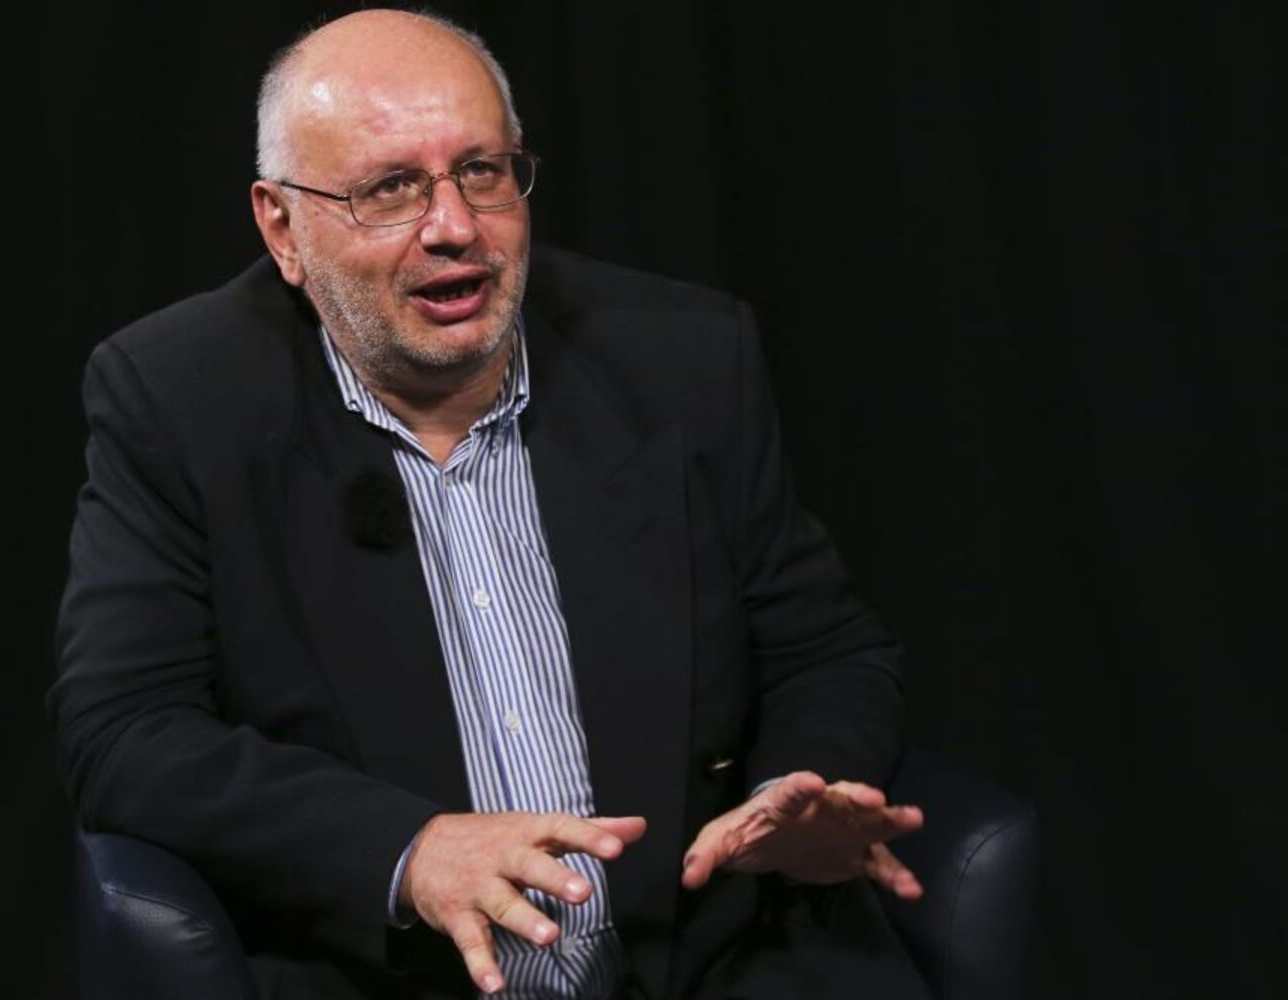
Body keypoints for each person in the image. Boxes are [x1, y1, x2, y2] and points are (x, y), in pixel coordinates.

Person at [50, 9, 930, 999]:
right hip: (393, 975)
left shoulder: (683, 361)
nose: (455, 226)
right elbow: (124, 732)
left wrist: (794, 792)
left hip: (703, 962)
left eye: (481, 171)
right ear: (282, 227)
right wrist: (408, 848)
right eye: (390, 188)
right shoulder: (181, 399)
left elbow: (827, 650)